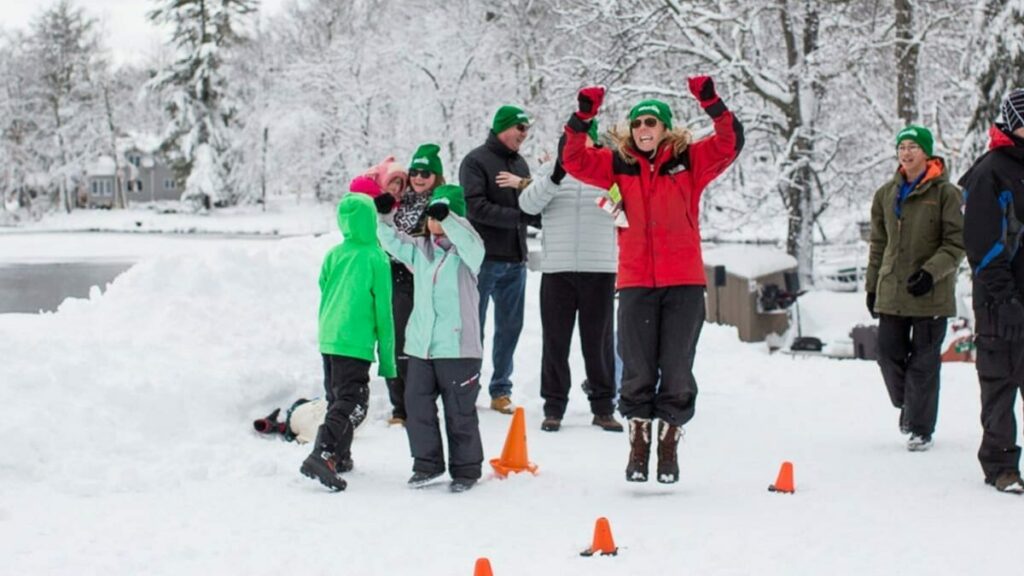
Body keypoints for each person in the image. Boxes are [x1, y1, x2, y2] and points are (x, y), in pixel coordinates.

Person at [560, 77, 743, 483]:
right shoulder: (616, 164)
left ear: (665, 129)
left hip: (684, 282)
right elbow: (572, 159)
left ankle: (670, 442)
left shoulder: (689, 163)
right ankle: (639, 443)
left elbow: (730, 142)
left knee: (677, 368)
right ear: (631, 129)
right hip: (637, 282)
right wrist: (583, 114)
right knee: (638, 369)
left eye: (652, 123)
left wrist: (710, 101)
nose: (644, 129)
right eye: (638, 123)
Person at [377, 184, 487, 493]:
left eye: (440, 215)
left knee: (459, 412)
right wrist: (385, 216)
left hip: (458, 349)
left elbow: (470, 242)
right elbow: (389, 240)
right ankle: (427, 464)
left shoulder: (469, 254)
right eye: (431, 215)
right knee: (417, 406)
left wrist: (450, 218)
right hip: (422, 348)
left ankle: (466, 469)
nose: (433, 222)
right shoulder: (420, 251)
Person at [516, 121, 621, 433]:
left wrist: (605, 196)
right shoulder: (550, 171)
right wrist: (555, 176)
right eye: (568, 143)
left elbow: (622, 213)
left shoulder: (609, 171)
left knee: (599, 342)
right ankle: (554, 407)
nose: (574, 147)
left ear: (593, 143)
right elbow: (527, 205)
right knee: (555, 342)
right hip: (557, 270)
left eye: (581, 141)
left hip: (599, 269)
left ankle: (603, 407)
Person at [865, 125, 964, 453]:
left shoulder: (946, 194)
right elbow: (878, 244)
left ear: (927, 152)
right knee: (887, 354)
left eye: (913, 147)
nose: (906, 153)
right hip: (892, 291)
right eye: (901, 147)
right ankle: (909, 405)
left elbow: (956, 243)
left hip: (930, 293)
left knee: (924, 363)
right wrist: (871, 286)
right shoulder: (885, 194)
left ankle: (920, 428)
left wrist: (930, 273)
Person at [300, 191, 396, 492]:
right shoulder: (376, 257)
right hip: (354, 342)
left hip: (329, 337)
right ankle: (322, 453)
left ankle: (340, 456)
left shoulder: (334, 254)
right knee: (352, 401)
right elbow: (384, 311)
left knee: (336, 398)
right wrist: (388, 359)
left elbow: (323, 286)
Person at [961, 88, 1024, 493]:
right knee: (1001, 381)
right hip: (1001, 298)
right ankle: (1001, 464)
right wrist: (1005, 297)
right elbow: (982, 244)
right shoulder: (991, 171)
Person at [460, 105, 539, 414]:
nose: (524, 135)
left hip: (515, 262)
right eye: (520, 128)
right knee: (473, 328)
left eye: (527, 130)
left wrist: (539, 218)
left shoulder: (520, 164)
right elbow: (475, 207)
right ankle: (468, 388)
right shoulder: (475, 161)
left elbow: (531, 204)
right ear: (504, 127)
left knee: (510, 327)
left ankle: (501, 390)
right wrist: (522, 217)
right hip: (482, 261)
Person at [374, 144, 447, 426]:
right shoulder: (400, 201)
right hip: (397, 278)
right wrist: (383, 211)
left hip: (429, 279)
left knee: (426, 344)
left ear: (437, 176)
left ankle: (423, 400)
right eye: (414, 172)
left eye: (425, 173)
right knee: (395, 342)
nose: (418, 178)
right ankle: (400, 406)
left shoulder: (442, 202)